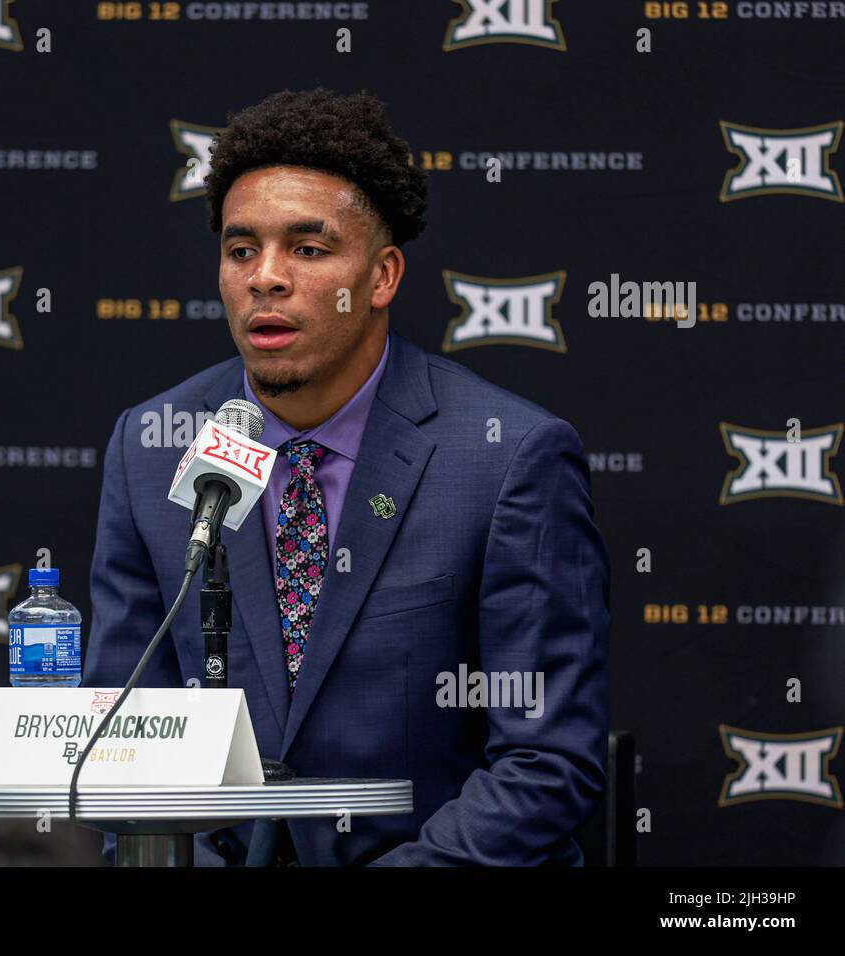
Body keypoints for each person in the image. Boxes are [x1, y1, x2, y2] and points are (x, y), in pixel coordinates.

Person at [83, 87, 610, 866]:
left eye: (307, 248)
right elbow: (124, 746)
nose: (265, 277)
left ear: (383, 276)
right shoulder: (154, 445)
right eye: (241, 250)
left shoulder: (507, 458)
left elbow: (546, 765)